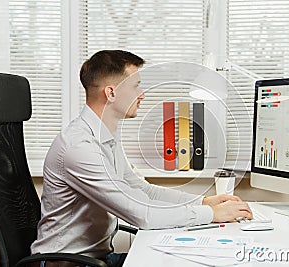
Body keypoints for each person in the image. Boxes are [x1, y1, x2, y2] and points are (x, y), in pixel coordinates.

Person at [31, 50, 253, 266]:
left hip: (96, 259)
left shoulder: (103, 136)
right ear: (111, 93)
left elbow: (143, 191)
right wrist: (212, 214)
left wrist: (202, 202)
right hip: (64, 264)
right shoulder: (79, 147)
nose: (143, 93)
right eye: (136, 85)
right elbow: (141, 215)